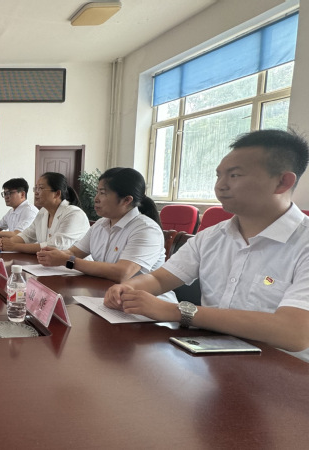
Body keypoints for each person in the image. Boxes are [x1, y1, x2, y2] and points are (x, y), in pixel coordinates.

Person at [104, 130, 309, 361]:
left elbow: (294, 332)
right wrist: (128, 288)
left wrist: (178, 312)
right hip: (213, 360)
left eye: (234, 175)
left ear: (282, 182)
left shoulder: (304, 243)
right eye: (218, 176)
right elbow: (160, 279)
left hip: (284, 371)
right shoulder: (211, 237)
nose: (220, 186)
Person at [37, 168, 174, 301]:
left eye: (102, 193)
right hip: (106, 297)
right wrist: (54, 254)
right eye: (97, 192)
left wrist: (68, 261)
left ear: (126, 200)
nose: (96, 198)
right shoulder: (100, 224)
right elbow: (74, 252)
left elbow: (122, 273)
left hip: (147, 304)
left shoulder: (146, 229)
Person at [0, 173, 90, 254]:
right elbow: (27, 235)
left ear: (57, 194)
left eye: (40, 188)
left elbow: (55, 246)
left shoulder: (74, 214)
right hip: (49, 264)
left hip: (75, 266)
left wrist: (14, 246)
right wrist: (6, 242)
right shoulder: (43, 212)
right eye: (36, 188)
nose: (36, 193)